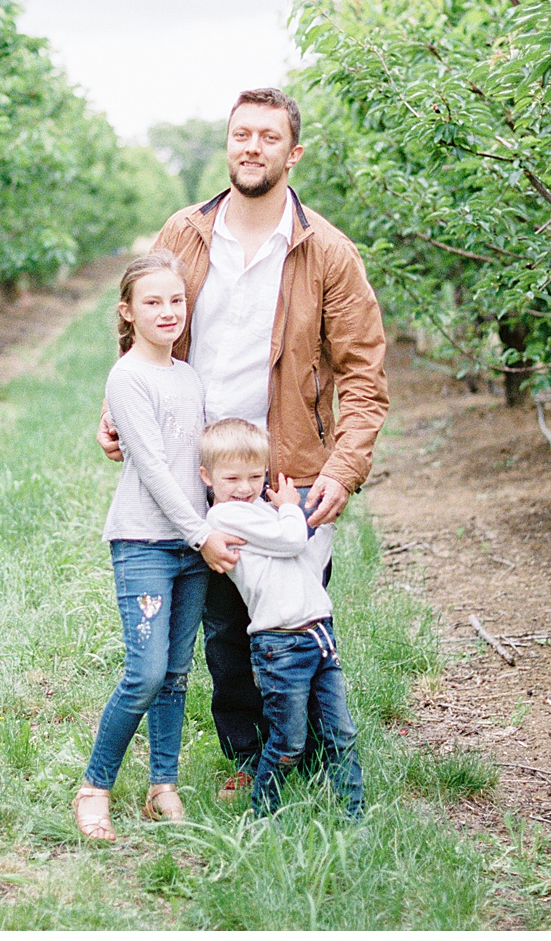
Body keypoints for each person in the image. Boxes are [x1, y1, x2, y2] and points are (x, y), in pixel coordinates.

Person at [98, 86, 387, 797]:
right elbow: (139, 322)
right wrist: (117, 412)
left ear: (293, 152)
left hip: (286, 470)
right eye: (241, 134)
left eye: (267, 136)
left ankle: (317, 752)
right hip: (199, 467)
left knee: (293, 614)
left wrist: (342, 471)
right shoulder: (185, 234)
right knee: (225, 631)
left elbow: (364, 374)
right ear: (228, 144)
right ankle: (251, 756)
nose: (251, 147)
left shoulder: (326, 251)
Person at [72, 249, 211, 843]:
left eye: (176, 300)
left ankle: (162, 787)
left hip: (191, 547)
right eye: (152, 302)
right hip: (147, 543)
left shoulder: (188, 376)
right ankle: (93, 787)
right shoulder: (126, 377)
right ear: (127, 312)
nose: (167, 311)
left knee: (177, 672)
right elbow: (152, 468)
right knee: (145, 671)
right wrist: (202, 532)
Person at [198, 418, 363, 819]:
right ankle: (265, 814)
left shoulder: (263, 513)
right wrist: (292, 508)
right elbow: (291, 540)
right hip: (281, 644)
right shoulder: (225, 518)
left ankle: (354, 816)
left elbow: (306, 559)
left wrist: (323, 522)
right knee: (287, 742)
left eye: (256, 475)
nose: (244, 487)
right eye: (231, 477)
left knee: (341, 734)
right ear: (206, 477)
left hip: (318, 634)